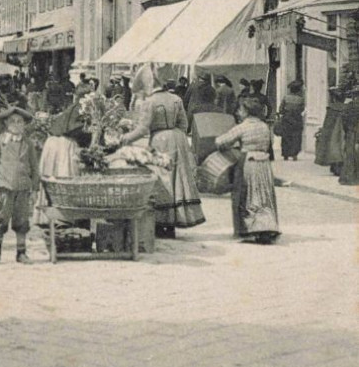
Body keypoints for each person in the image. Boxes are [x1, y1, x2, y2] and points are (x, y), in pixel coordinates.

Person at [118, 71, 205, 237]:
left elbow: (143, 128)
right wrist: (176, 138)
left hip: (159, 140)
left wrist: (125, 138)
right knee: (177, 179)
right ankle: (173, 223)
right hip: (177, 139)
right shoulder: (176, 99)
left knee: (162, 179)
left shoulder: (150, 102)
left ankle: (162, 222)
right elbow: (184, 124)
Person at [215, 96, 281, 244]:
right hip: (264, 164)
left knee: (245, 195)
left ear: (246, 111)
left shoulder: (243, 127)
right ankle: (266, 227)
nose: (238, 112)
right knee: (263, 196)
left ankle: (247, 229)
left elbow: (221, 141)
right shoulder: (264, 126)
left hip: (248, 163)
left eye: (240, 109)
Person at [0, 106, 40, 264]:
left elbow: (34, 167)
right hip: (4, 188)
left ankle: (21, 252)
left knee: (22, 220)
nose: (16, 124)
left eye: (20, 121)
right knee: (0, 219)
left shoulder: (28, 144)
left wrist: (35, 189)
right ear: (6, 124)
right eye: (12, 121)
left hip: (23, 188)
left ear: (24, 124)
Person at [277, 80, 305, 161]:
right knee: (296, 137)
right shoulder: (301, 99)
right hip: (297, 119)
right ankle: (294, 154)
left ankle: (285, 154)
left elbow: (281, 109)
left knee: (286, 136)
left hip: (286, 119)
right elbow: (302, 109)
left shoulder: (286, 98)